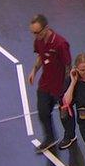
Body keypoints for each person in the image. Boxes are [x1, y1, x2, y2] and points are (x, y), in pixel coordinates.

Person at [27, 14, 75, 152]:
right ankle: (50, 138)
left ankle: (70, 136)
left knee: (65, 114)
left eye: (37, 32)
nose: (35, 35)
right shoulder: (38, 40)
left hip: (60, 85)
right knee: (43, 112)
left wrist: (67, 88)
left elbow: (68, 66)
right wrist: (34, 71)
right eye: (33, 32)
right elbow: (41, 56)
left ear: (46, 28)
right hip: (45, 84)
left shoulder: (60, 43)